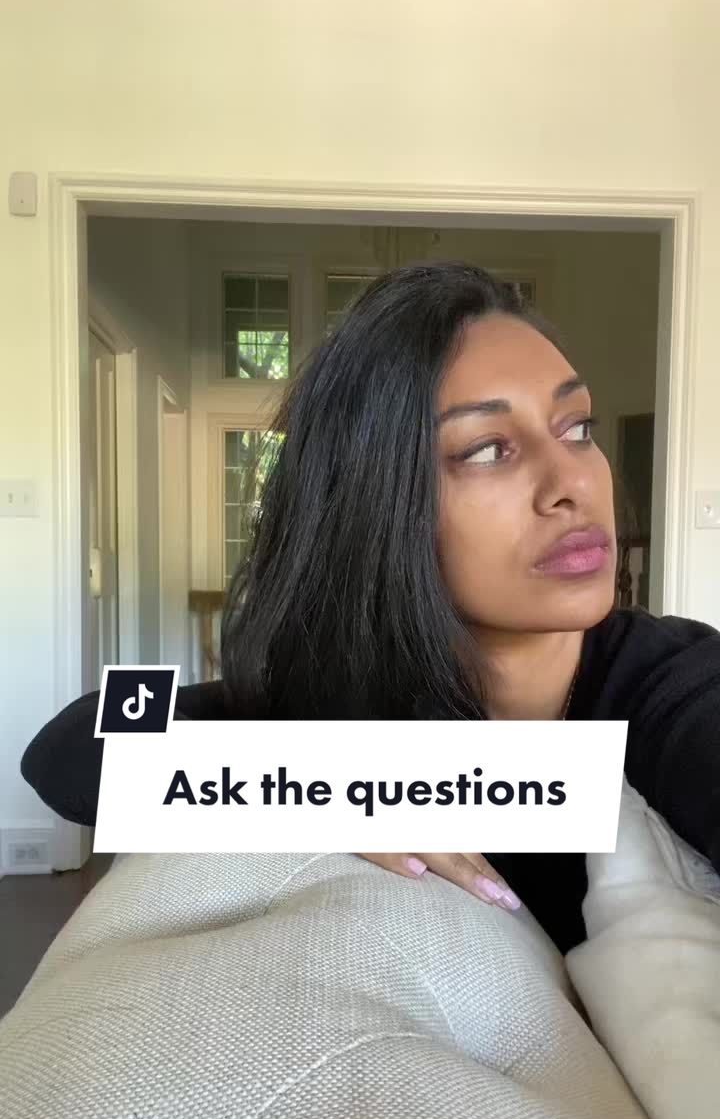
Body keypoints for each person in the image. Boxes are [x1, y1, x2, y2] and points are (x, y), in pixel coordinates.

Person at [20, 262, 720, 954]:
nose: (572, 481)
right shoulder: (339, 699)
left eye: (577, 428)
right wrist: (338, 788)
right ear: (377, 502)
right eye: (487, 450)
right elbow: (72, 744)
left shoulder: (674, 679)